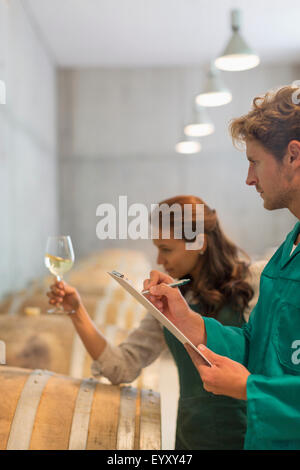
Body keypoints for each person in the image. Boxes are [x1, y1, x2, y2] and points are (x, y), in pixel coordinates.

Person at [144, 85, 300, 450]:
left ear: (293, 156)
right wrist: (189, 321)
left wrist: (250, 390)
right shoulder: (288, 249)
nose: (249, 178)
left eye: (255, 161)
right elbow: (258, 345)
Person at [47, 195, 264, 450]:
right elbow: (121, 368)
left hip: (249, 437)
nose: (159, 260)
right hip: (190, 441)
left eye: (166, 249)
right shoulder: (171, 299)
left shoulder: (254, 283)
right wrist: (77, 311)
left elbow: (270, 366)